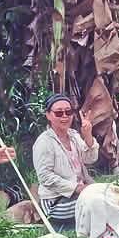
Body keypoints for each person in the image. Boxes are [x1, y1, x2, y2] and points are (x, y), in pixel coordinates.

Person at [32, 93, 98, 230]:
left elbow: (90, 159)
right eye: (58, 113)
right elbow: (45, 177)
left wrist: (88, 137)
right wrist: (76, 188)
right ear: (48, 115)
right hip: (55, 202)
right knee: (99, 202)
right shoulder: (44, 142)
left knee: (109, 195)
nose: (64, 116)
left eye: (68, 112)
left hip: (78, 193)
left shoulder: (73, 135)